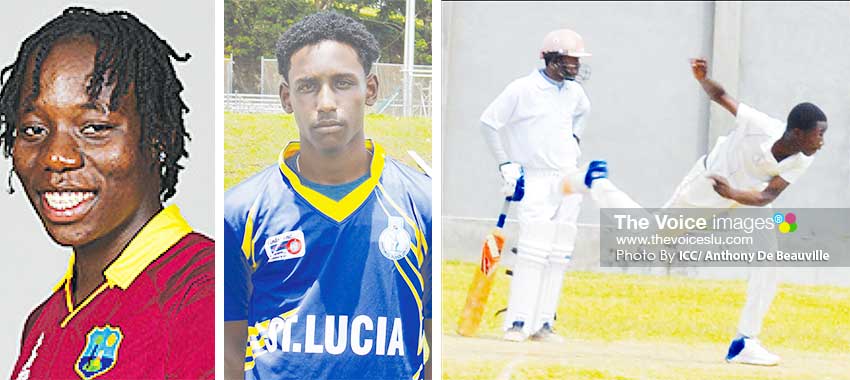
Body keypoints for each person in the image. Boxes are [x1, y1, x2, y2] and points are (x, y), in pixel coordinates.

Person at [0, 7, 214, 380]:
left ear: (159, 138)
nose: (56, 157)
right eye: (33, 130)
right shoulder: (43, 320)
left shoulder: (204, 295)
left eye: (95, 127)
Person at [570, 58, 827, 366]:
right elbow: (721, 97)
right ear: (797, 132)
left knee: (771, 258)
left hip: (742, 198)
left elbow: (766, 195)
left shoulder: (803, 157)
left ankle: (745, 340)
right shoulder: (759, 126)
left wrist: (732, 194)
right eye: (818, 134)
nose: (822, 142)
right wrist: (703, 78)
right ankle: (597, 182)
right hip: (706, 187)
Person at [224, 11, 432, 380]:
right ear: (286, 97)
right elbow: (227, 349)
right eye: (307, 86)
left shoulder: (423, 203)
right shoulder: (239, 211)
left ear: (370, 89)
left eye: (342, 83)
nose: (325, 102)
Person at [479, 28, 592, 342]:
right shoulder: (522, 89)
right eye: (571, 59)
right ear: (552, 58)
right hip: (536, 177)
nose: (576, 66)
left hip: (568, 178)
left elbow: (584, 113)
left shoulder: (575, 94)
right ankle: (517, 322)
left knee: (559, 254)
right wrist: (506, 163)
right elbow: (489, 123)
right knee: (532, 252)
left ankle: (543, 324)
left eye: (577, 60)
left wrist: (575, 139)